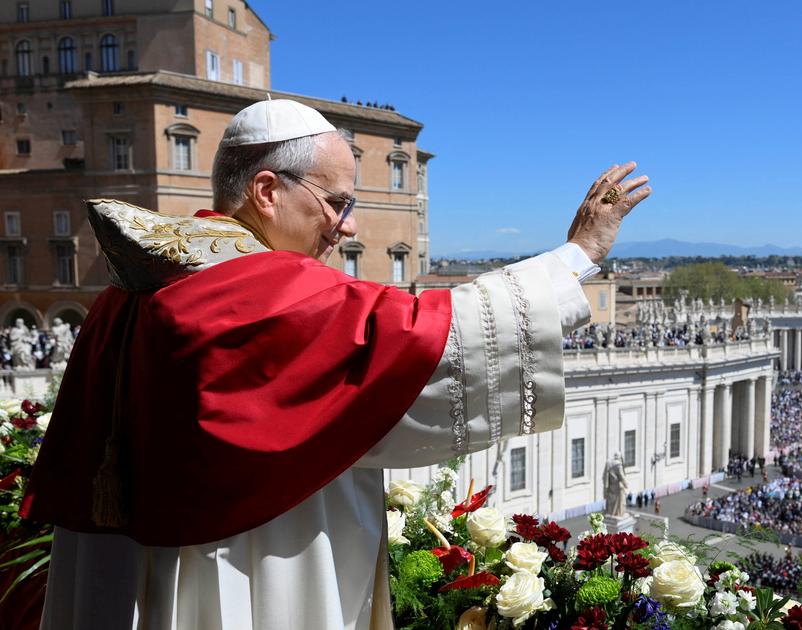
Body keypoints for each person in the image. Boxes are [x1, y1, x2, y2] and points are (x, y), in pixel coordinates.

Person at [23, 99, 651, 629]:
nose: (345, 228)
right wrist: (579, 254)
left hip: (132, 570)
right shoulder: (255, 287)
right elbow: (427, 337)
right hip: (245, 567)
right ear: (267, 191)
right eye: (336, 203)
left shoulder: (135, 284)